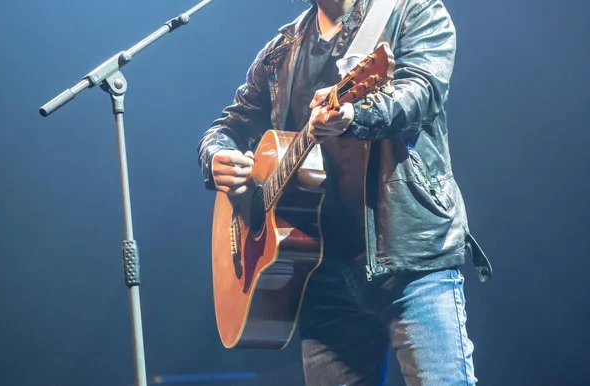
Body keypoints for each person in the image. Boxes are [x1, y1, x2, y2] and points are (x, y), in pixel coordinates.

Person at [197, 0, 492, 384]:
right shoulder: (282, 49)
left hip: (411, 261)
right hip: (321, 277)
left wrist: (355, 115)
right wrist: (217, 155)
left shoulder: (411, 11)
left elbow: (420, 92)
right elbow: (228, 127)